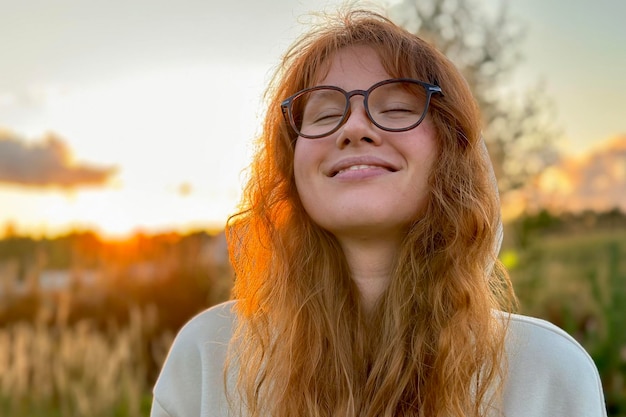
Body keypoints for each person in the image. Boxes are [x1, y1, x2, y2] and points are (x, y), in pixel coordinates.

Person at [150, 9, 607, 417]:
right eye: (325, 114)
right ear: (291, 163)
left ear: (450, 151)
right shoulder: (208, 359)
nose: (353, 128)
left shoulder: (546, 371)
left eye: (396, 108)